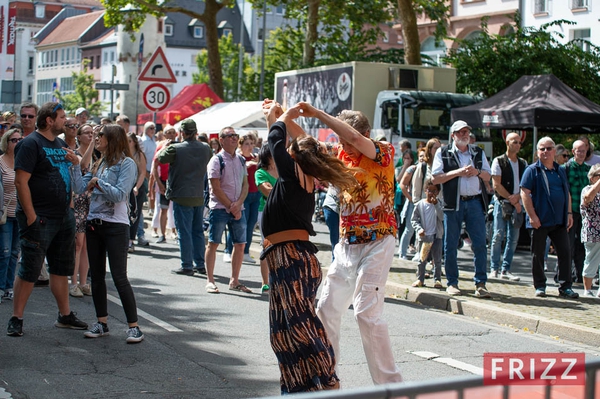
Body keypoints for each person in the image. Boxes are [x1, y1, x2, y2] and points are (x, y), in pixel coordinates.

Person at [293, 103, 403, 385]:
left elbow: (355, 140)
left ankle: (390, 386)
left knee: (366, 313)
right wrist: (280, 117)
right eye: (341, 141)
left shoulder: (383, 152)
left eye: (348, 139)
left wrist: (319, 114)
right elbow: (305, 143)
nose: (345, 146)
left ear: (367, 133)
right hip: (347, 243)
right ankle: (327, 376)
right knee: (326, 308)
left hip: (379, 239)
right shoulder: (341, 155)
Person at [262, 100, 359, 393]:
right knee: (284, 331)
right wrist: (278, 115)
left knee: (298, 328)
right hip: (288, 258)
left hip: (290, 258)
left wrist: (284, 116)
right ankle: (297, 387)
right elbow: (294, 142)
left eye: (290, 153)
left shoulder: (295, 175)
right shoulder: (298, 175)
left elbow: (276, 140)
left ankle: (326, 381)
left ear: (294, 158)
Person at [7, 101, 88, 337]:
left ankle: (65, 315)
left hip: (63, 217)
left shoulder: (60, 144)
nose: (66, 121)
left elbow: (70, 179)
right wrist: (31, 216)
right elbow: (21, 182)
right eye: (62, 117)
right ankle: (16, 317)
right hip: (40, 219)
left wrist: (74, 166)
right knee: (29, 269)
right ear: (49, 120)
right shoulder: (30, 144)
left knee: (61, 269)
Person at [75, 124, 144, 343]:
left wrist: (98, 182)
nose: (96, 139)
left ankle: (134, 327)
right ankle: (101, 322)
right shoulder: (100, 163)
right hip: (94, 224)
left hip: (116, 226)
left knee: (119, 276)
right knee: (96, 276)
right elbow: (78, 187)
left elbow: (119, 194)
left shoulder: (127, 164)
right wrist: (76, 166)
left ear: (112, 138)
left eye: (100, 136)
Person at [431, 120, 492, 298]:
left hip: (475, 202)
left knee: (480, 244)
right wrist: (458, 172)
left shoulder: (478, 152)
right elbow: (435, 178)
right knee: (451, 244)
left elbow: (489, 176)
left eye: (466, 131)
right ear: (453, 136)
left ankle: (480, 284)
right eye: (460, 132)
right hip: (453, 202)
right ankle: (452, 282)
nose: (464, 135)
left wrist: (477, 172)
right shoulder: (443, 152)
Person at [520, 136, 578, 299]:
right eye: (542, 149)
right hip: (540, 220)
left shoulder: (560, 170)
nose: (546, 151)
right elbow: (525, 193)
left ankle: (565, 286)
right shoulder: (532, 170)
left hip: (559, 220)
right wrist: (532, 216)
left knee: (565, 252)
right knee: (538, 254)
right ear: (538, 152)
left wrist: (568, 213)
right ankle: (540, 286)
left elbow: (566, 192)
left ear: (555, 151)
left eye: (549, 148)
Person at [157, 119, 211, 276]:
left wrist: (166, 145)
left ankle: (187, 265)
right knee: (198, 231)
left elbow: (161, 158)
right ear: (195, 132)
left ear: (182, 133)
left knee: (184, 232)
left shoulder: (175, 148)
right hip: (198, 194)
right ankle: (200, 264)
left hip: (181, 195)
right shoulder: (205, 148)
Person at [204, 127, 250, 294]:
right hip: (220, 209)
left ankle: (234, 280)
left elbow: (246, 185)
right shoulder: (216, 161)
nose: (234, 138)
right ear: (221, 140)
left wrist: (238, 204)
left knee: (240, 245)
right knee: (213, 243)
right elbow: (215, 188)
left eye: (235, 136)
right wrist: (232, 206)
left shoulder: (241, 160)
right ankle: (210, 281)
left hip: (238, 208)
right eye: (230, 136)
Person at [489, 132, 526, 281]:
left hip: (518, 204)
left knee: (513, 238)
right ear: (507, 142)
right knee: (498, 235)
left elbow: (526, 184)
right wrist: (512, 199)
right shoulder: (499, 161)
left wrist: (518, 200)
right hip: (502, 203)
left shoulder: (523, 163)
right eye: (514, 142)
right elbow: (496, 184)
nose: (517, 145)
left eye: (519, 142)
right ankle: (494, 268)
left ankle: (506, 269)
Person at [223, 132, 260, 264]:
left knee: (251, 225)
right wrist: (246, 166)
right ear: (241, 145)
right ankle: (228, 251)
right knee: (238, 224)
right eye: (247, 144)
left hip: (256, 194)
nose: (250, 146)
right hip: (243, 195)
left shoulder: (255, 157)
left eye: (252, 144)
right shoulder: (238, 158)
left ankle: (245, 252)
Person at [70, 124, 96, 298]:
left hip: (90, 203)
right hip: (77, 202)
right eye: (87, 133)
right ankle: (73, 283)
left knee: (87, 244)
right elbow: (82, 165)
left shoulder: (96, 155)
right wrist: (94, 142)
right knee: (77, 244)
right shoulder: (76, 154)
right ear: (79, 136)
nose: (90, 135)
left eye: (92, 133)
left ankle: (84, 282)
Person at [0, 129, 23, 302]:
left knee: (15, 252)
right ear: (6, 142)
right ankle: (1, 287)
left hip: (20, 212)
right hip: (5, 214)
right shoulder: (0, 163)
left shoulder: (24, 161)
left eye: (19, 140)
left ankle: (9, 286)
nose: (16, 143)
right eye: (13, 140)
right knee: (4, 252)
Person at [563, 140, 590, 284]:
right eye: (578, 151)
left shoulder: (588, 169)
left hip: (585, 214)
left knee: (582, 244)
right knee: (568, 244)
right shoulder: (565, 168)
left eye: (583, 151)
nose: (581, 153)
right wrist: (567, 213)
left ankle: (579, 274)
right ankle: (563, 275)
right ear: (573, 152)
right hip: (570, 211)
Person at [411, 180, 443, 288]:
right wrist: (419, 229)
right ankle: (420, 279)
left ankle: (437, 280)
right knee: (422, 259)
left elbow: (442, 217)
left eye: (435, 191)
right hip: (424, 237)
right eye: (430, 190)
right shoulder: (420, 204)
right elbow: (414, 220)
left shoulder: (439, 204)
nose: (432, 193)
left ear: (438, 192)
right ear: (425, 190)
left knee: (437, 260)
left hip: (436, 236)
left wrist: (436, 205)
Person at [254, 143, 278, 292]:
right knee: (267, 245)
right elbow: (268, 191)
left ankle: (278, 280)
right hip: (266, 212)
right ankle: (265, 281)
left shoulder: (282, 169)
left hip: (284, 212)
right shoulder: (261, 172)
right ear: (267, 155)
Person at [152, 126, 177, 244]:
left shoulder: (180, 147)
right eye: (169, 133)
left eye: (173, 133)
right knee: (163, 209)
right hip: (164, 181)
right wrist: (158, 183)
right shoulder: (161, 147)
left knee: (178, 210)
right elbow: (154, 165)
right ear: (165, 135)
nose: (171, 135)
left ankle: (176, 232)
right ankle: (162, 234)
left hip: (177, 182)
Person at [580, 164, 600, 297]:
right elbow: (587, 198)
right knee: (591, 260)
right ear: (592, 178)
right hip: (592, 232)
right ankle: (587, 290)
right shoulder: (587, 190)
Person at [127, 133, 147, 253]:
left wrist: (136, 187)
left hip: (136, 188)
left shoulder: (139, 155)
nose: (127, 143)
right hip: (125, 187)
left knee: (135, 215)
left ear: (134, 142)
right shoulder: (122, 154)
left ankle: (130, 240)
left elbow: (142, 173)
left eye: (129, 141)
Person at [397, 150, 416, 259]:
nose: (407, 160)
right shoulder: (407, 169)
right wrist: (406, 165)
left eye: (409, 158)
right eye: (405, 158)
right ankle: (402, 252)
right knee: (407, 227)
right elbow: (399, 180)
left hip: (416, 200)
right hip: (404, 200)